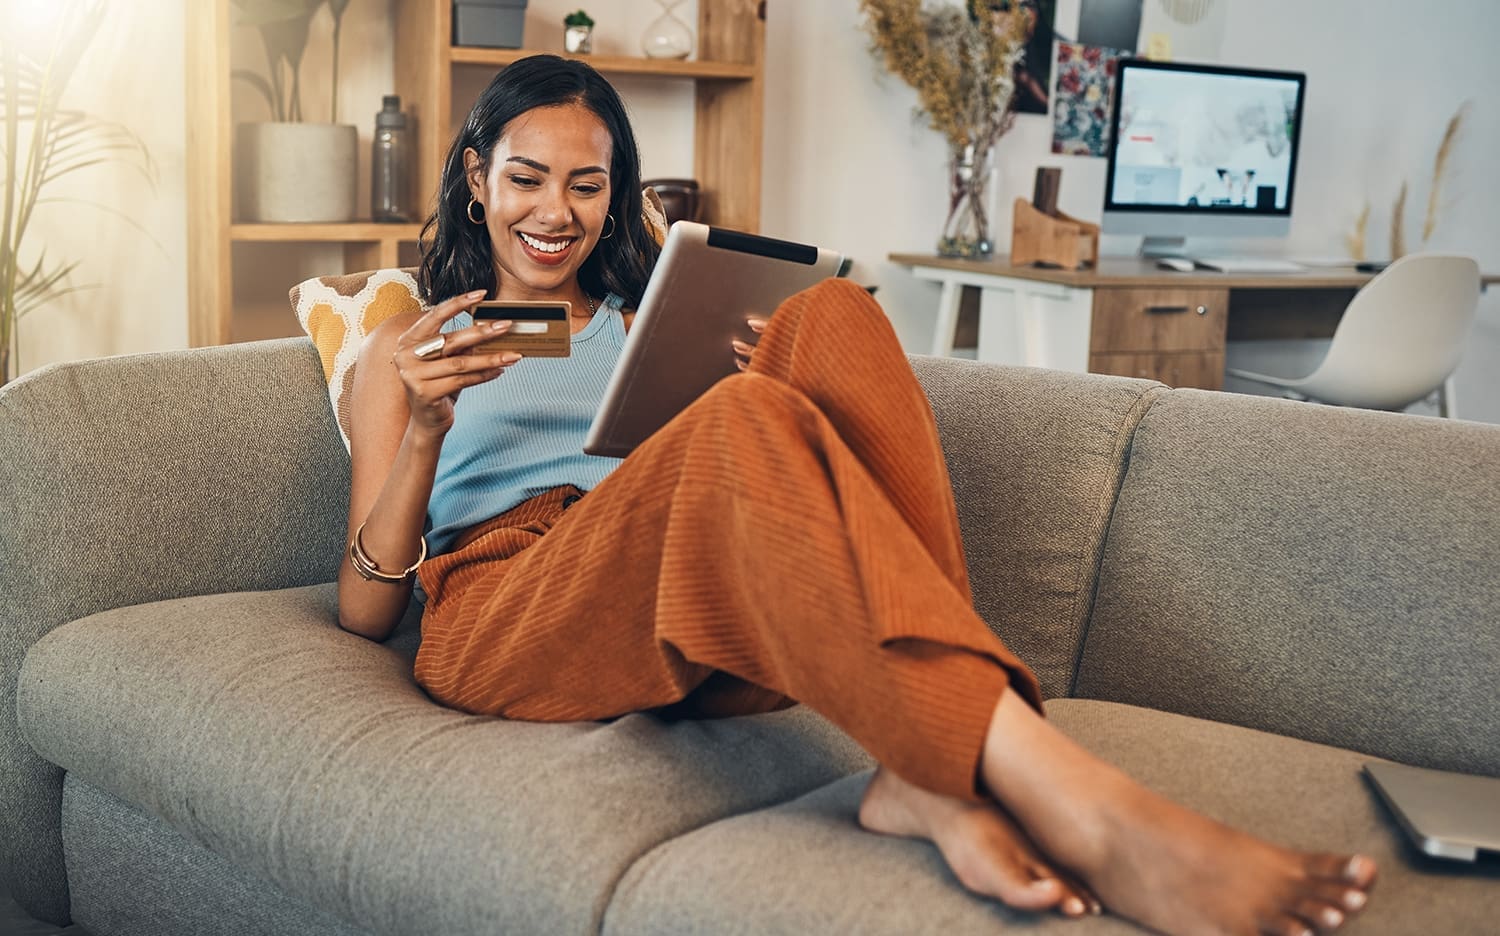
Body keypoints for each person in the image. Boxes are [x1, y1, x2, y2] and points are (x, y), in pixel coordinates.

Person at [339, 54, 1377, 934]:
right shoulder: (409, 342)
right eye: (525, 178)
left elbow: (711, 471)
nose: (554, 213)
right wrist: (427, 429)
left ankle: (924, 772)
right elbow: (366, 606)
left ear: (618, 194)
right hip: (509, 605)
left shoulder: (648, 313)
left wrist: (758, 386)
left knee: (829, 313)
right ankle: (1072, 800)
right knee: (739, 422)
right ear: (476, 177)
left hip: (687, 596)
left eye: (586, 185)